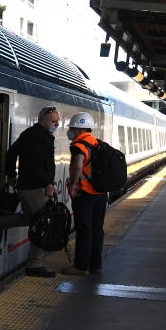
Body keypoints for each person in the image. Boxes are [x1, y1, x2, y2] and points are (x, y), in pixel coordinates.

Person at [0, 105, 60, 277]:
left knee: (29, 218)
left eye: (58, 121)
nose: (57, 124)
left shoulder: (28, 133)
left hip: (24, 186)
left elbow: (11, 153)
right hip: (36, 187)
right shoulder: (43, 137)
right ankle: (34, 265)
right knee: (43, 223)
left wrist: (11, 175)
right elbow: (39, 165)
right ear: (43, 120)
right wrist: (49, 184)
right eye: (54, 121)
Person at [62, 112, 106, 276]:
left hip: (85, 194)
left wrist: (73, 184)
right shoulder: (98, 143)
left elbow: (79, 166)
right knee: (97, 229)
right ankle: (96, 265)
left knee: (84, 229)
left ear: (77, 128)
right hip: (101, 194)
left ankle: (81, 266)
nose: (70, 131)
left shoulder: (79, 145)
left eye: (71, 128)